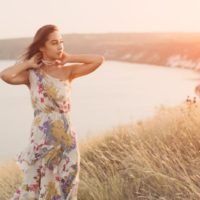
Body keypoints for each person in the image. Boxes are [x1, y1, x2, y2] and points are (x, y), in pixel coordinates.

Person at [0, 24, 104, 200]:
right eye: (54, 43)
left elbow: (98, 60)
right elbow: (6, 75)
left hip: (66, 138)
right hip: (42, 139)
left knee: (66, 183)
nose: (60, 46)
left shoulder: (68, 71)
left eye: (61, 42)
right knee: (39, 183)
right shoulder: (32, 75)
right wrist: (28, 63)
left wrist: (70, 57)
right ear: (42, 47)